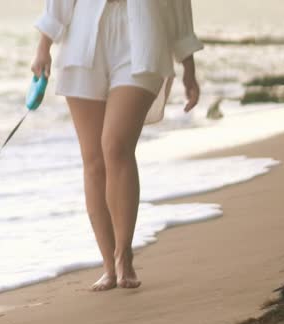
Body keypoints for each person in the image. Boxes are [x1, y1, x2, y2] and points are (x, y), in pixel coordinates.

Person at [31, 0, 203, 291]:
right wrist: (43, 47)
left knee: (115, 146)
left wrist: (188, 65)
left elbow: (178, 5)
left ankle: (124, 254)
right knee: (94, 160)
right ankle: (109, 266)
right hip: (83, 38)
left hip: (143, 41)